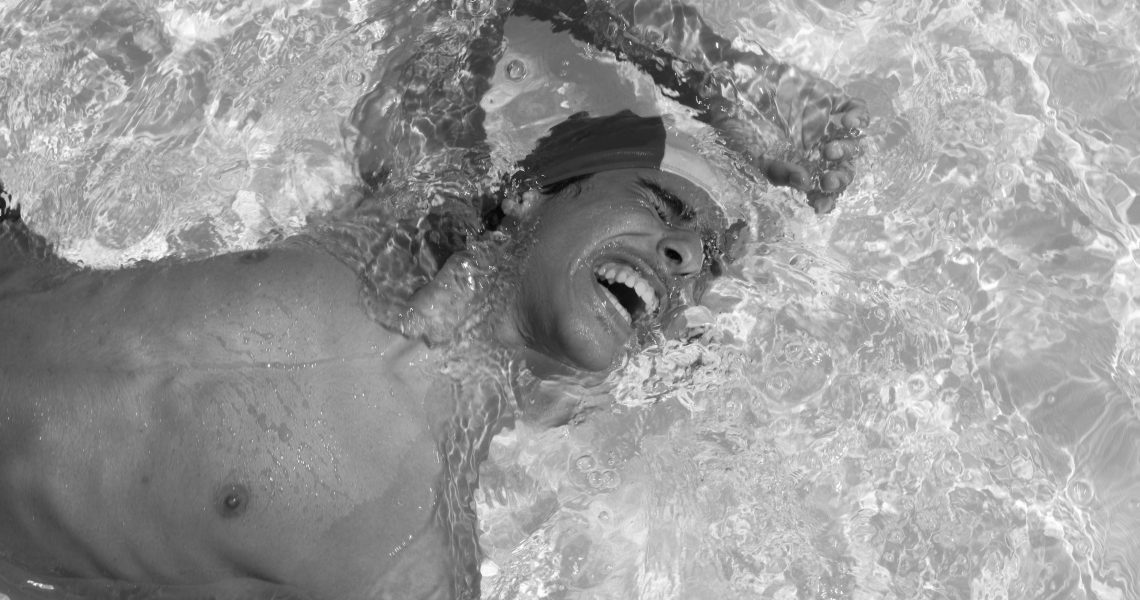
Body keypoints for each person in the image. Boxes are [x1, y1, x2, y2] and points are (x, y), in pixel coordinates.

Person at [0, 1, 867, 599]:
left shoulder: (410, 564)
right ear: (533, 196)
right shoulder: (394, 230)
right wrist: (727, 83)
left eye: (701, 274)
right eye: (662, 209)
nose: (682, 261)